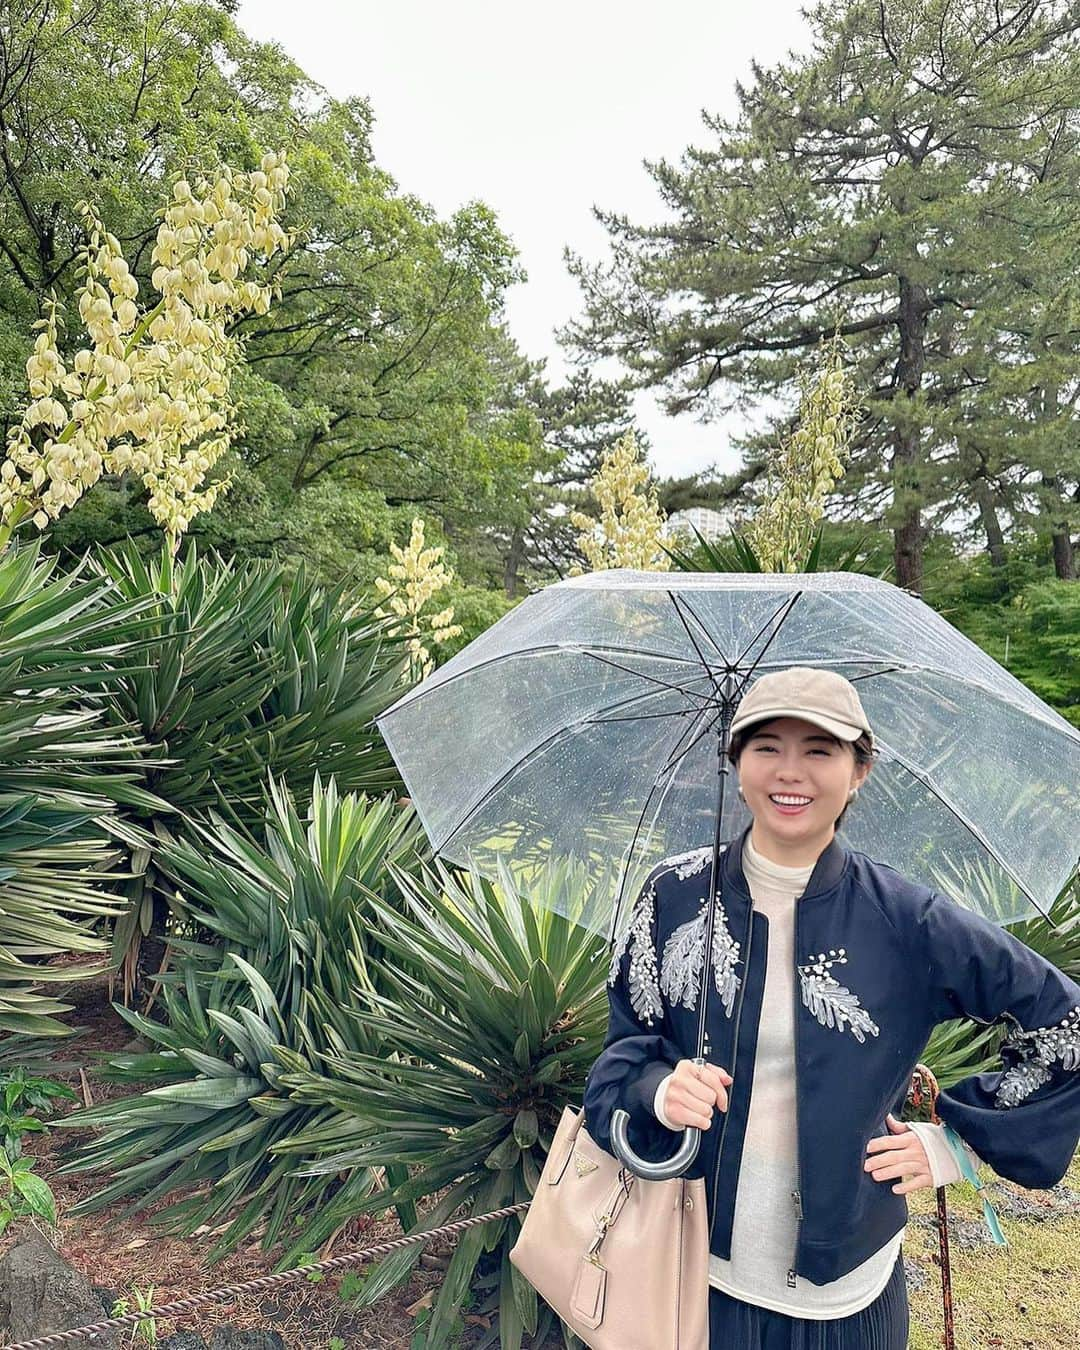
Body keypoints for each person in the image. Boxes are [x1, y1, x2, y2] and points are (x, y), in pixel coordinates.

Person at [584, 666, 1080, 1350]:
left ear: (859, 771)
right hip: (695, 1267)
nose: (791, 771)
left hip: (848, 1296)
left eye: (820, 750)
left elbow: (1065, 1023)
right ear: (736, 763)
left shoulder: (907, 918)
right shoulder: (672, 897)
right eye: (766, 747)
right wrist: (660, 1089)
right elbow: (623, 1054)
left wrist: (955, 1146)